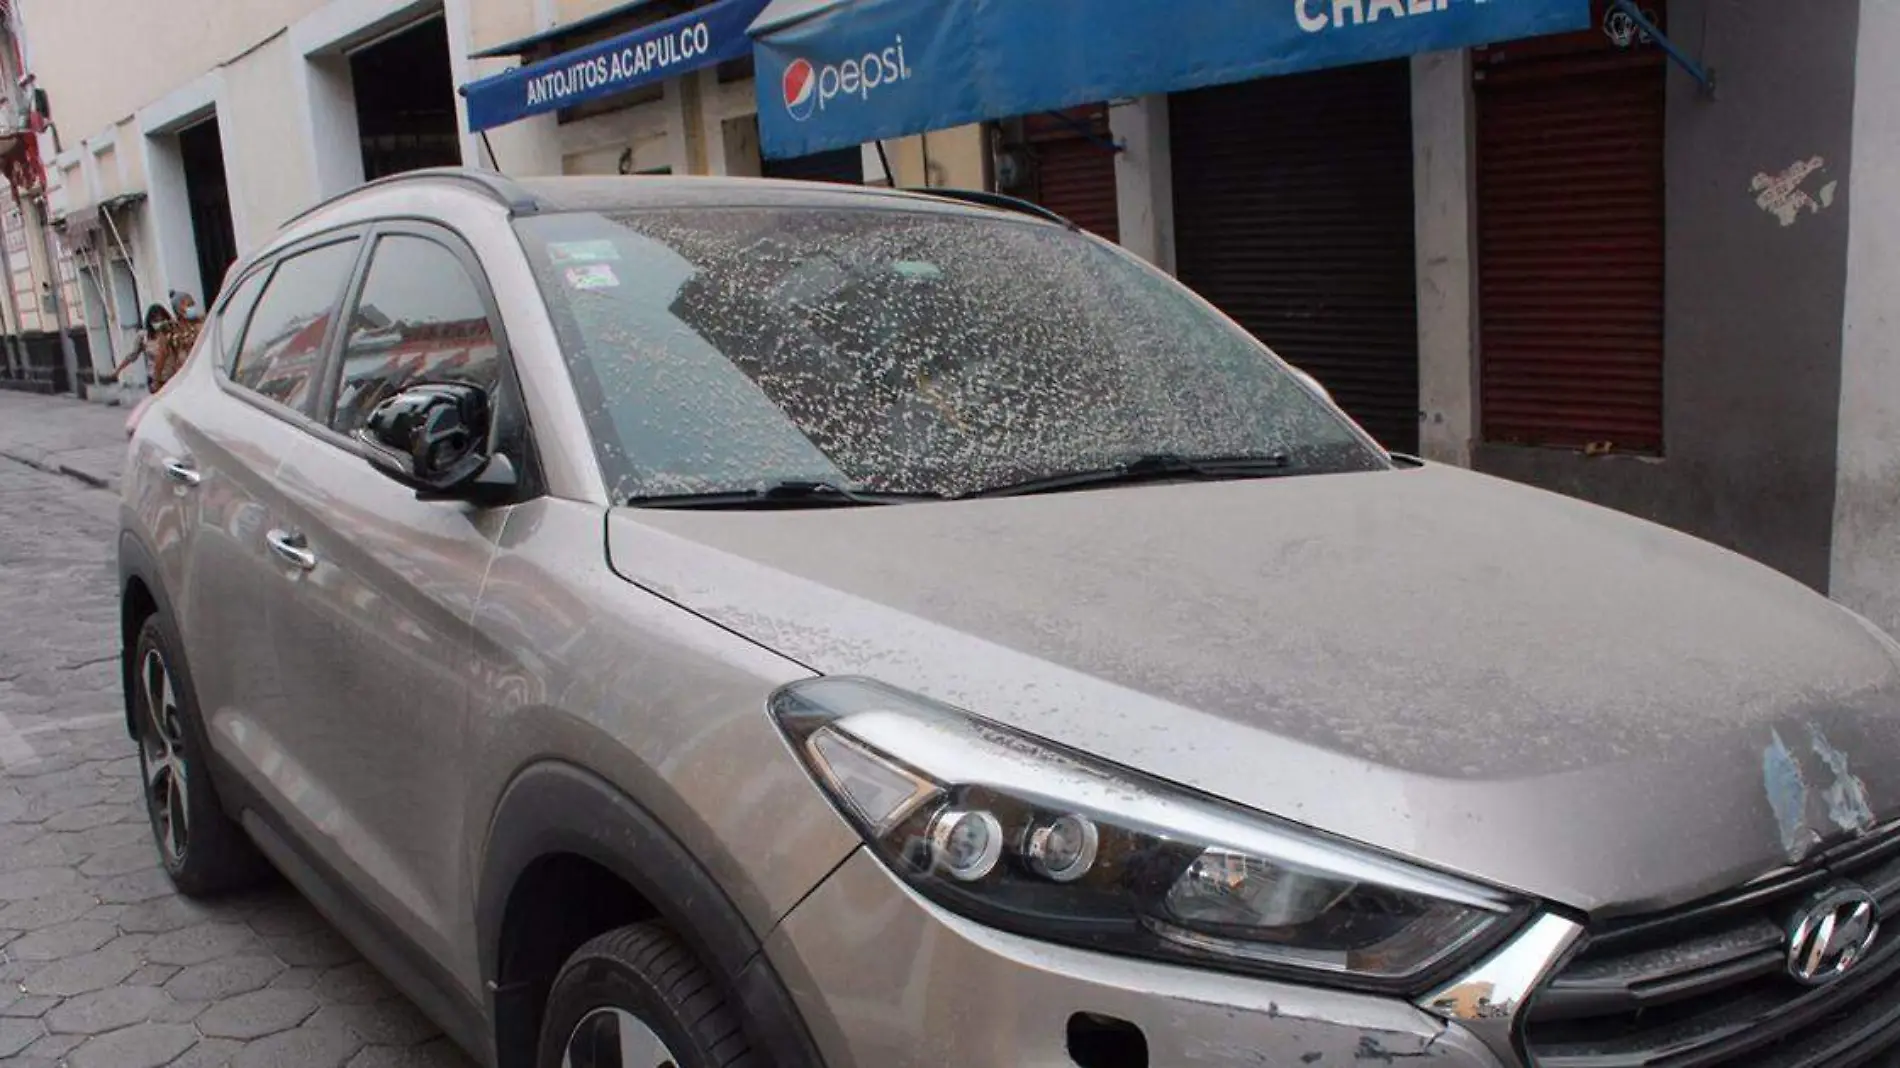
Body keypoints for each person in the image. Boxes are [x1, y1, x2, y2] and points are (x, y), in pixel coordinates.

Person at [110, 303, 176, 393]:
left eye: (161, 320)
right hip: (154, 378)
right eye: (155, 320)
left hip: (173, 376)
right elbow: (133, 355)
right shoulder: (144, 336)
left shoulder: (173, 334)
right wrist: (119, 369)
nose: (159, 323)